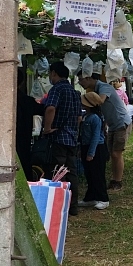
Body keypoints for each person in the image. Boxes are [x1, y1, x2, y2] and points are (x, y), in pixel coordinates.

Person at [78, 72, 132, 191]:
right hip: (112, 125)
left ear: (88, 77)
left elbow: (99, 101)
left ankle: (117, 181)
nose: (79, 83)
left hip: (121, 123)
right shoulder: (96, 89)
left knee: (116, 153)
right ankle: (114, 179)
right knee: (112, 154)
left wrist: (85, 102)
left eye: (81, 80)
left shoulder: (104, 87)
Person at [42, 62, 81, 215]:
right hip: (71, 137)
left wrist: (47, 128)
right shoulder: (73, 91)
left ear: (54, 73)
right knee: (71, 172)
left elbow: (51, 108)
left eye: (50, 74)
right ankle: (73, 207)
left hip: (58, 137)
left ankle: (56, 206)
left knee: (56, 171)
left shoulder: (56, 89)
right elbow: (79, 117)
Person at [78, 92, 109, 210]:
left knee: (98, 175)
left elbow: (96, 136)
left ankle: (103, 198)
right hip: (87, 147)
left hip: (96, 148)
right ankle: (91, 197)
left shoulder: (95, 118)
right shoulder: (87, 116)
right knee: (89, 174)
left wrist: (91, 153)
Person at [16, 71, 45, 181]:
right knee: (24, 161)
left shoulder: (1, 100)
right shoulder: (27, 101)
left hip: (6, 140)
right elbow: (43, 110)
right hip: (24, 138)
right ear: (22, 82)